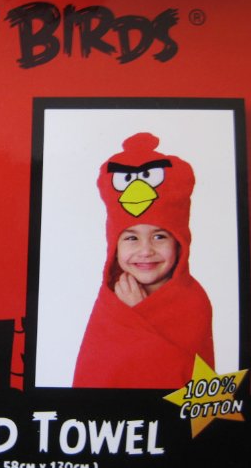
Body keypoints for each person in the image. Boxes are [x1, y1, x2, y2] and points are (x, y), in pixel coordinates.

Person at [73, 133, 214, 389]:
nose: (146, 250)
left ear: (179, 242)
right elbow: (93, 374)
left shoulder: (194, 302)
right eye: (131, 238)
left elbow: (194, 387)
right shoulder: (110, 299)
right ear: (114, 247)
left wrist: (138, 313)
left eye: (159, 236)